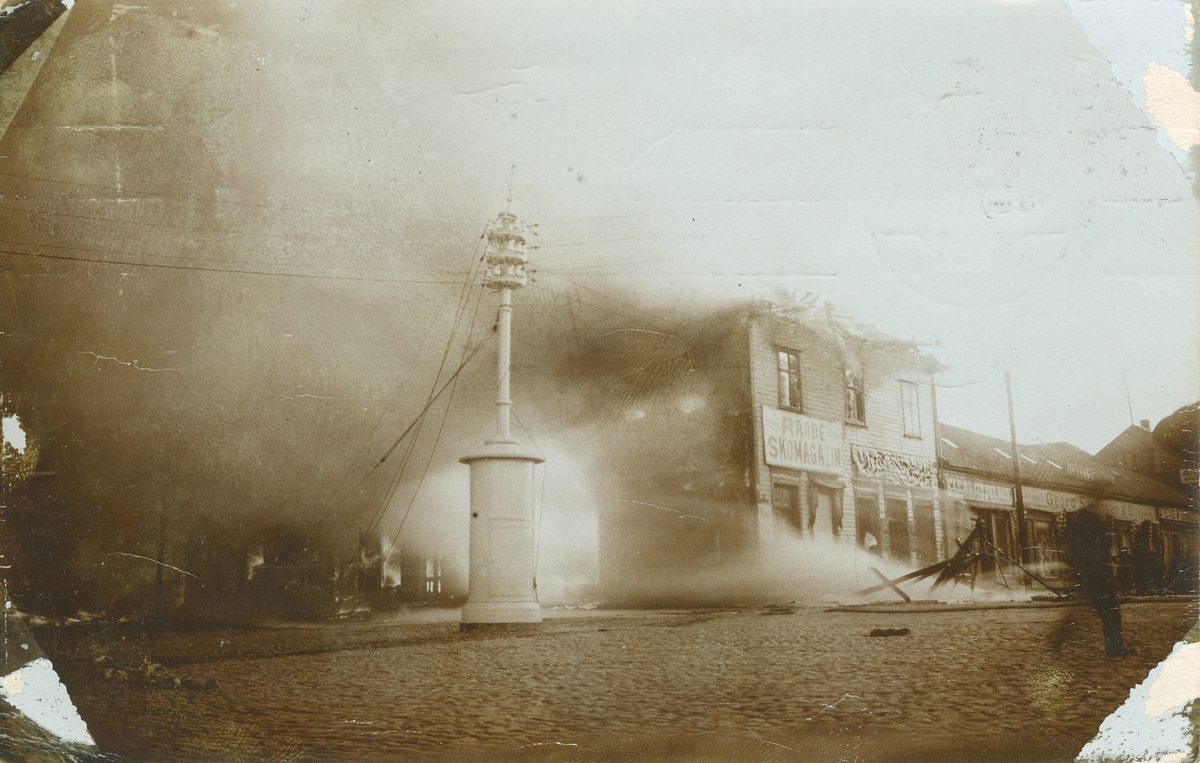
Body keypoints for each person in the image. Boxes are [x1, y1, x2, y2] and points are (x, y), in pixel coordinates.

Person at [1061, 507, 1134, 658]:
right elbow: (1105, 545)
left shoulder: (1076, 536)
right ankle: (1114, 649)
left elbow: (1070, 556)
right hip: (1101, 579)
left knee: (1106, 615)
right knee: (1111, 615)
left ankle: (1114, 648)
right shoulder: (1095, 534)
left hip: (1089, 580)